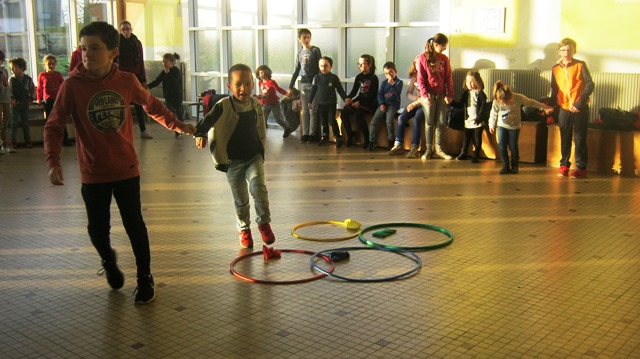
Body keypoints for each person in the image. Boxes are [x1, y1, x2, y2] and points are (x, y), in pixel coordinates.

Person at [43, 22, 196, 304]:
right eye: (84, 48)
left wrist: (178, 125)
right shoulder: (72, 86)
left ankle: (144, 278)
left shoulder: (126, 81)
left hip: (126, 169)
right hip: (92, 173)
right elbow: (53, 126)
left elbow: (152, 106)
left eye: (95, 48)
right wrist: (53, 161)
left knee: (134, 225)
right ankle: (109, 261)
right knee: (97, 230)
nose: (87, 54)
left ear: (113, 52)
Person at [194, 63, 276, 249]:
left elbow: (260, 127)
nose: (243, 89)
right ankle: (244, 229)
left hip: (253, 156)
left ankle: (264, 223)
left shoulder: (255, 103)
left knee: (259, 189)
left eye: (248, 84)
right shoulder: (223, 105)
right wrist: (199, 134)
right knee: (241, 200)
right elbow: (206, 121)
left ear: (253, 85)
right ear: (229, 87)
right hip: (232, 162)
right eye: (238, 84)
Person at [550, 38, 595, 179]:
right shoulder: (555, 68)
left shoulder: (580, 65)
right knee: (565, 137)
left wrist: (579, 103)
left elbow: (590, 85)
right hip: (564, 108)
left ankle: (581, 167)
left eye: (569, 50)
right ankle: (564, 164)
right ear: (559, 51)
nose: (566, 53)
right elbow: (554, 89)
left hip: (580, 107)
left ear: (574, 51)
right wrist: (551, 106)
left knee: (580, 137)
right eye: (563, 50)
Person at [489, 81, 552, 174]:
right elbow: (493, 113)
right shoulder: (496, 101)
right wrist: (491, 124)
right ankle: (505, 166)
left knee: (513, 146)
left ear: (510, 96)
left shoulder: (517, 97)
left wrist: (544, 107)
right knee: (502, 146)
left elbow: (531, 102)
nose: (505, 105)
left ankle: (515, 166)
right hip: (502, 125)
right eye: (503, 103)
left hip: (514, 127)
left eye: (507, 102)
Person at [417, 33, 454, 160]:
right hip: (428, 95)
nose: (444, 48)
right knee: (429, 122)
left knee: (441, 121)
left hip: (441, 94)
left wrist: (449, 94)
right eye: (443, 46)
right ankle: (428, 149)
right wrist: (424, 95)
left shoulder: (444, 59)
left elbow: (448, 77)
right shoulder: (422, 58)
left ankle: (438, 149)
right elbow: (420, 79)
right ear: (436, 44)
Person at [116, 20, 152, 139]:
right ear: (120, 31)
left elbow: (140, 62)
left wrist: (143, 79)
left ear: (131, 30)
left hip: (135, 76)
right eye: (123, 29)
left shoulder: (137, 43)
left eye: (128, 29)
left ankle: (143, 130)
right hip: (121, 76)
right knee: (122, 104)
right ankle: (123, 132)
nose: (126, 31)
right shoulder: (117, 43)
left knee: (138, 103)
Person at [287, 28, 322, 143]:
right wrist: (290, 86)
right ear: (299, 39)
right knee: (305, 110)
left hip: (314, 83)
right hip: (303, 83)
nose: (306, 39)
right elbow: (296, 70)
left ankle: (312, 134)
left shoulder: (315, 50)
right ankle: (305, 133)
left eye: (308, 37)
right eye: (304, 37)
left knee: (313, 109)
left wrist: (317, 82)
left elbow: (319, 67)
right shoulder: (299, 54)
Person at [388, 56, 425, 158]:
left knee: (417, 118)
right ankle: (398, 144)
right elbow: (408, 93)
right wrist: (415, 98)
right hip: (416, 102)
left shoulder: (427, 75)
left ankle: (414, 147)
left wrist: (418, 101)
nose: (419, 66)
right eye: (417, 64)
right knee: (401, 117)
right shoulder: (414, 77)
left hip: (425, 104)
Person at [308, 56, 348, 147]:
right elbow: (313, 90)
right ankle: (325, 136)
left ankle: (338, 137)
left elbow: (340, 89)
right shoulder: (316, 78)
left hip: (331, 103)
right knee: (323, 121)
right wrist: (310, 101)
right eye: (321, 66)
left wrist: (345, 98)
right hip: (321, 104)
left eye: (326, 66)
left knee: (331, 120)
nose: (323, 68)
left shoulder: (334, 78)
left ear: (331, 66)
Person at [340, 54, 379, 148]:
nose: (360, 66)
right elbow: (354, 91)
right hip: (360, 99)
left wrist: (360, 103)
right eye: (359, 64)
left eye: (362, 64)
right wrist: (348, 98)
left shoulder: (374, 78)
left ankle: (367, 139)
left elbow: (372, 95)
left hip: (370, 103)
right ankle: (350, 135)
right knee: (344, 112)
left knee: (358, 114)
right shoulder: (359, 77)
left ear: (369, 65)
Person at [453, 71, 490, 163]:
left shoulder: (481, 94)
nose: (469, 84)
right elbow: (460, 104)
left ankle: (476, 154)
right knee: (466, 137)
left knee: (477, 139)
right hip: (468, 120)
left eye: (471, 81)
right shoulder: (466, 93)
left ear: (477, 82)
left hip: (477, 121)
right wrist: (451, 102)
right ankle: (463, 152)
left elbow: (483, 109)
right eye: (467, 81)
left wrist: (478, 119)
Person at [368, 61, 403, 150]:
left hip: (393, 105)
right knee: (374, 121)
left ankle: (391, 140)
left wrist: (393, 84)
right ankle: (371, 141)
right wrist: (381, 104)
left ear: (395, 71)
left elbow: (397, 94)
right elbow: (380, 94)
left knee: (389, 120)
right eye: (386, 73)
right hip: (384, 104)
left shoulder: (399, 82)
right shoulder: (384, 83)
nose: (389, 75)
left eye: (391, 72)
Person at [147, 52, 184, 138]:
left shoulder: (176, 71)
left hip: (176, 96)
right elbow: (157, 81)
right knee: (171, 111)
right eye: (163, 62)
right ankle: (177, 128)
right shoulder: (164, 72)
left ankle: (181, 129)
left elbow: (173, 82)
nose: (164, 64)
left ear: (171, 62)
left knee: (178, 112)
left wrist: (167, 73)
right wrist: (147, 86)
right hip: (168, 96)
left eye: (166, 62)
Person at [37, 54, 70, 146]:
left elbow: (63, 86)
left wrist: (65, 97)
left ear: (55, 64)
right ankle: (50, 141)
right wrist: (39, 98)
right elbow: (39, 88)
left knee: (61, 119)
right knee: (49, 121)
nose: (51, 66)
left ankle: (65, 139)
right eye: (49, 64)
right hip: (48, 101)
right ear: (44, 65)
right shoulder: (42, 75)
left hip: (58, 100)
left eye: (53, 64)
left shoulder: (58, 74)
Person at [255, 64, 293, 138]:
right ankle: (261, 133)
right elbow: (264, 92)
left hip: (275, 103)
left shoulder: (271, 82)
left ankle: (287, 128)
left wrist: (286, 93)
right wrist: (261, 98)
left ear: (267, 73)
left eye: (263, 72)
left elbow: (278, 89)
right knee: (263, 118)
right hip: (266, 104)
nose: (261, 74)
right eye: (260, 73)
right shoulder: (260, 82)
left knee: (278, 119)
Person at [8, 57, 36, 152]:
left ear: (21, 68)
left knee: (25, 123)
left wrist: (31, 99)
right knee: (14, 123)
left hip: (25, 104)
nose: (12, 70)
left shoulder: (28, 79)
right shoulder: (11, 80)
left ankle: (28, 140)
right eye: (11, 68)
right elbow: (10, 90)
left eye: (14, 67)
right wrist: (12, 99)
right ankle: (13, 141)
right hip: (15, 105)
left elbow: (33, 89)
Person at [0, 50, 10, 154]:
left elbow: (6, 83)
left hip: (5, 98)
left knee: (5, 122)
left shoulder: (4, 70)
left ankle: (5, 144)